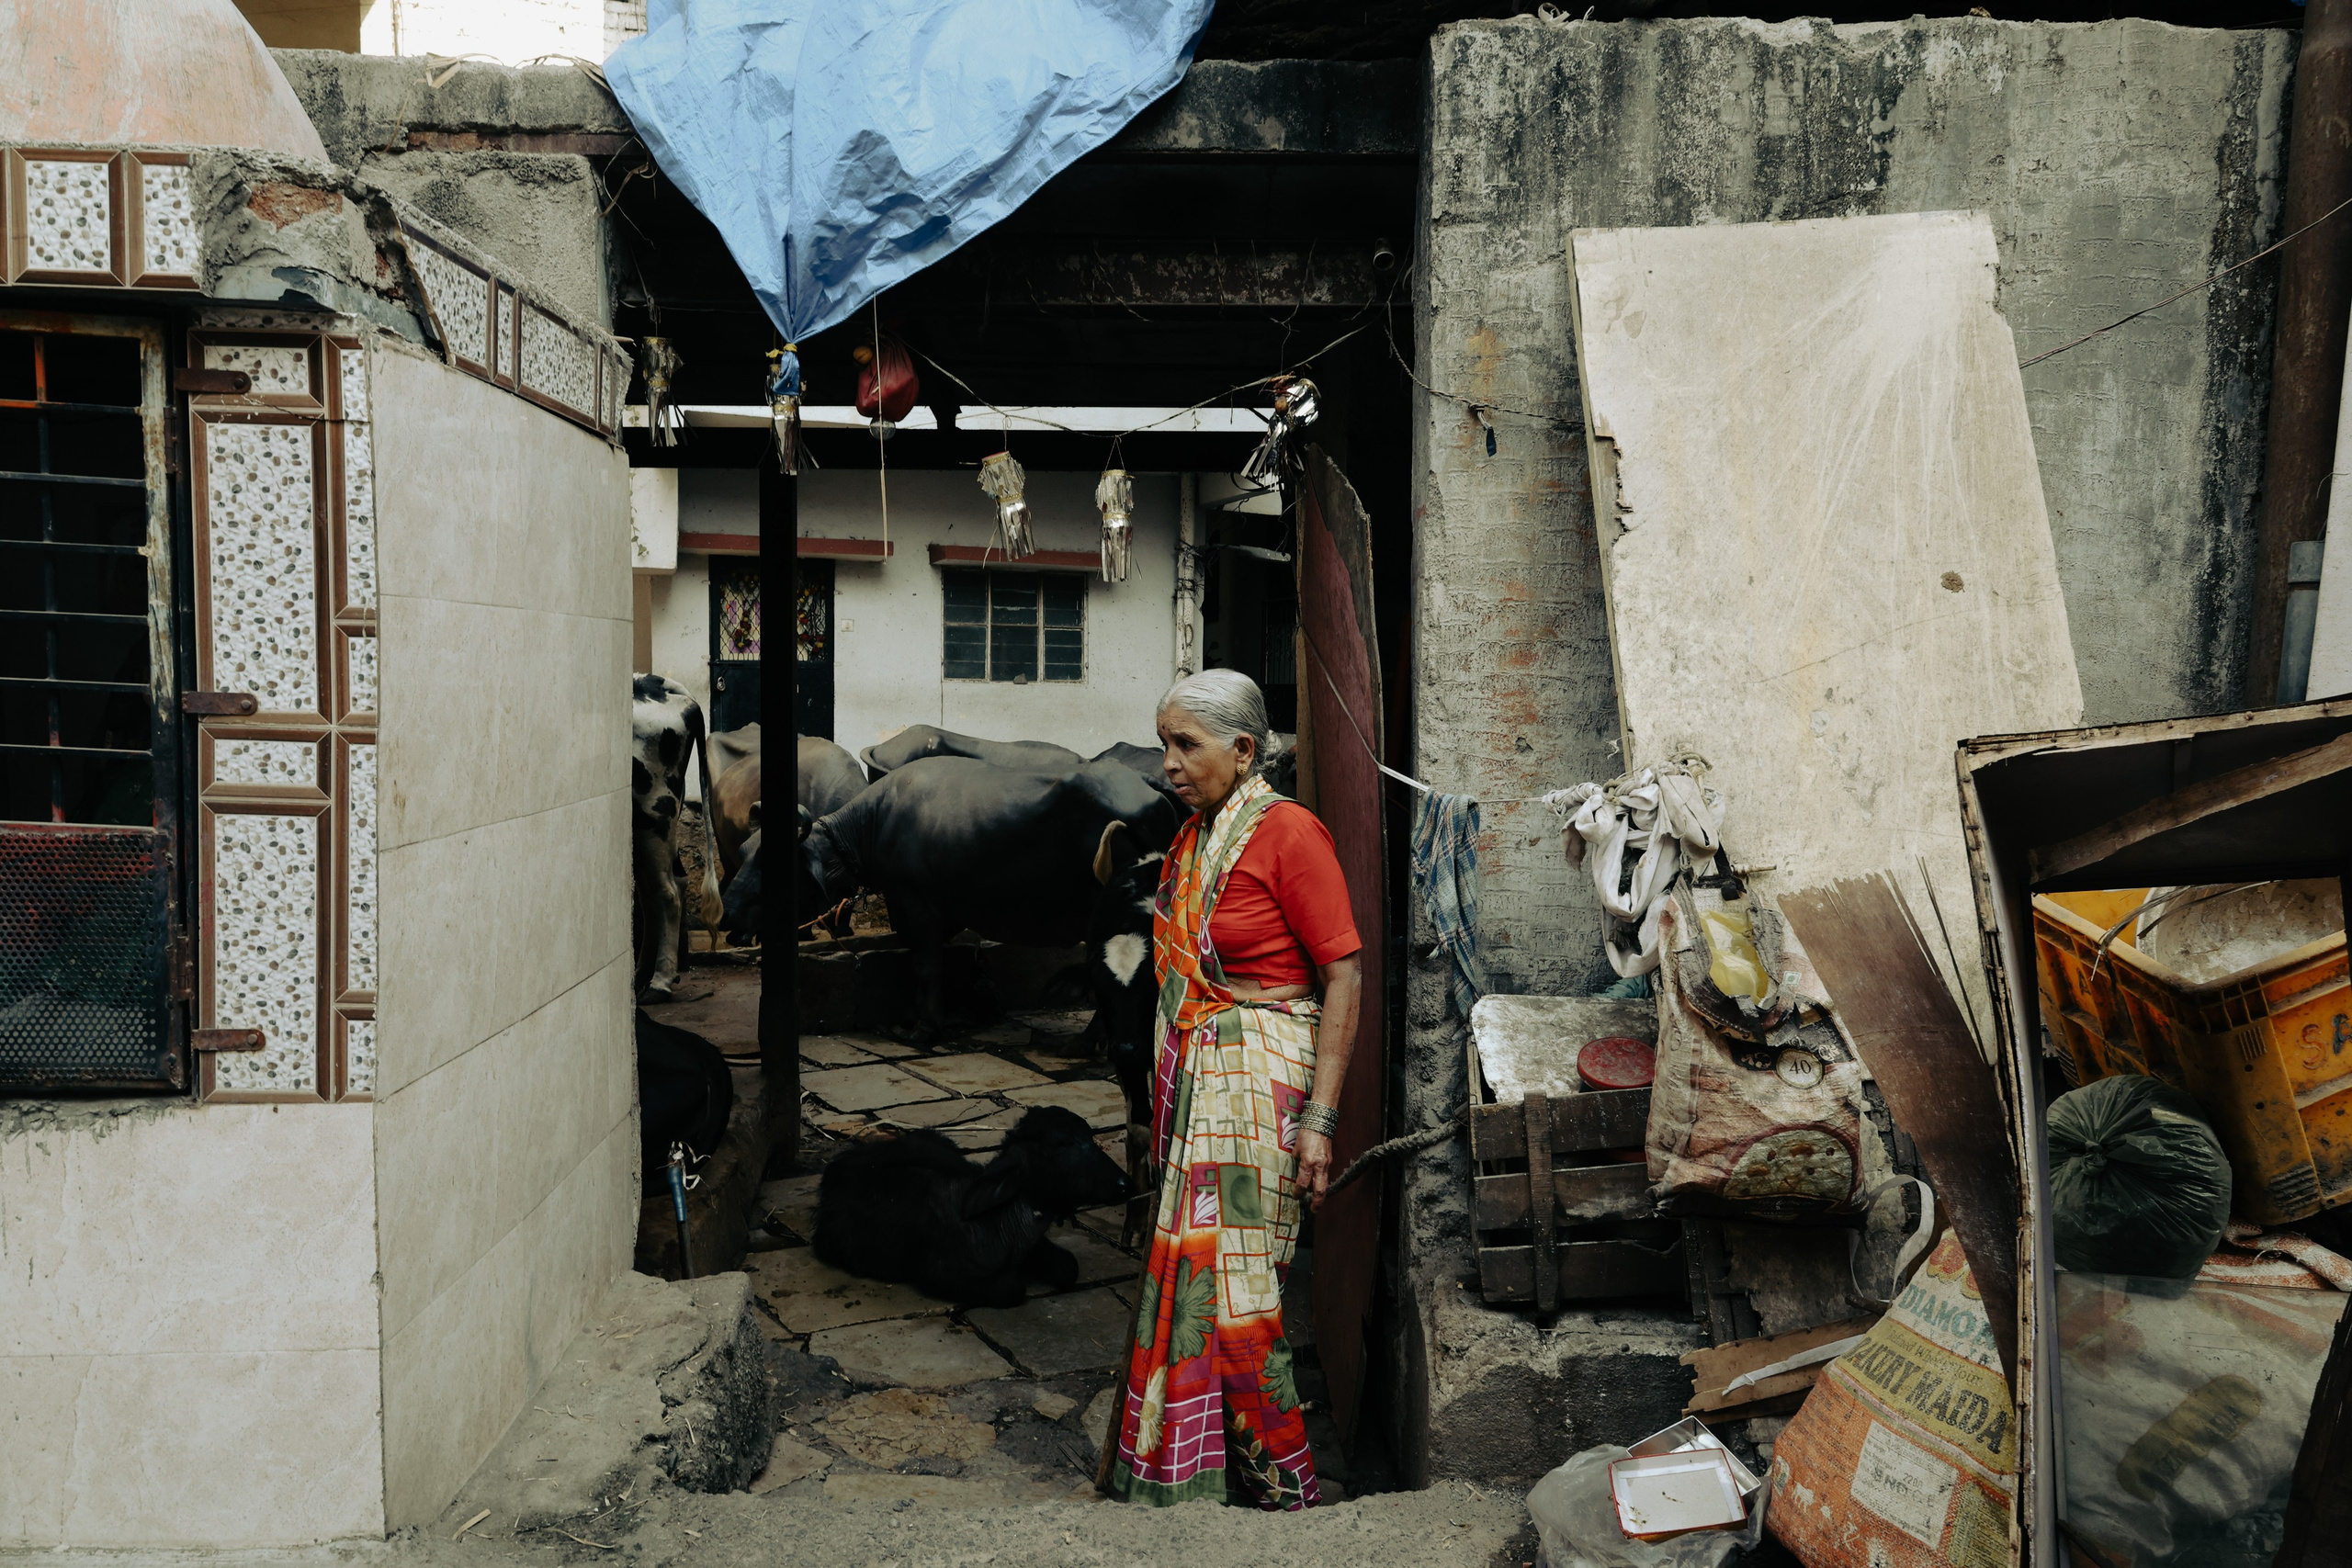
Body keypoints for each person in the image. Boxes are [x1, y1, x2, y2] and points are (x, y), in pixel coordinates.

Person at [1104, 669, 1362, 1511]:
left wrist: (1320, 1120)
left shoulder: (1288, 835)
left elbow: (1344, 975)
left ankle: (1282, 1480)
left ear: (1245, 751)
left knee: (1237, 1283)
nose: (1169, 763)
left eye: (1188, 745)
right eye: (1164, 742)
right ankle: (1202, 1471)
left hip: (1256, 1093)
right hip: (1205, 1086)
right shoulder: (1195, 839)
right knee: (1200, 1280)